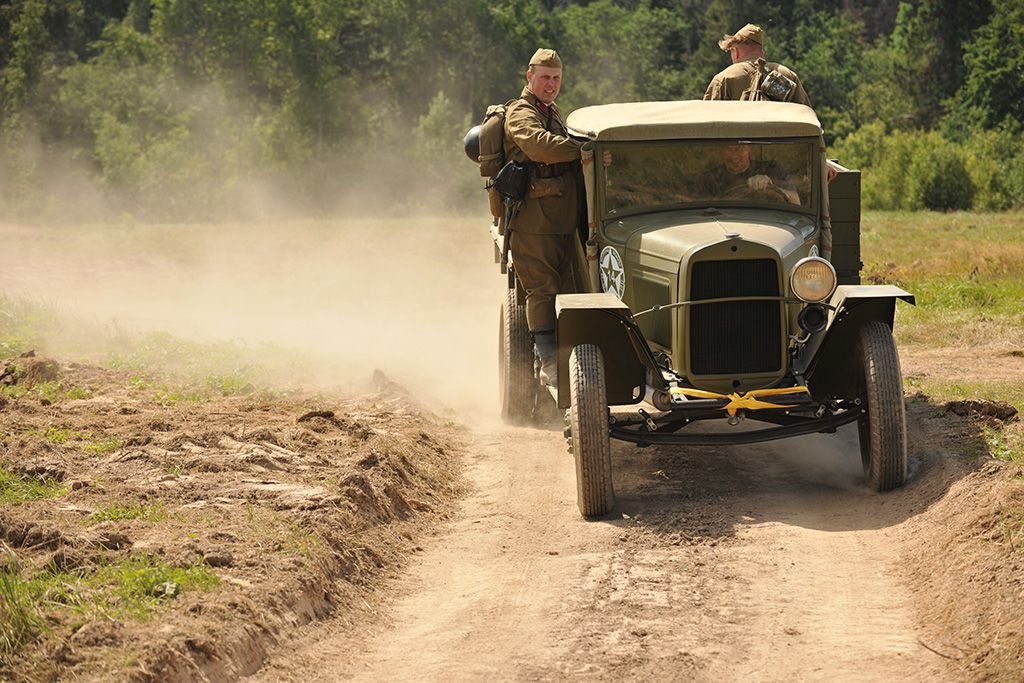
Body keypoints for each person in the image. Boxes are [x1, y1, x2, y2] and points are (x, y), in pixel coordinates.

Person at [503, 48, 584, 389]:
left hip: (560, 221)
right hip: (532, 223)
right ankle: (547, 359)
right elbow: (538, 146)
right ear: (529, 77)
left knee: (569, 291)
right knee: (542, 291)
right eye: (545, 78)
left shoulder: (550, 112)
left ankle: (569, 363)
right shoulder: (520, 112)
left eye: (556, 78)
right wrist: (581, 149)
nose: (551, 85)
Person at [704, 23, 810, 105]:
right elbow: (807, 118)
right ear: (762, 52)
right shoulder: (788, 75)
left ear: (735, 52)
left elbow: (706, 123)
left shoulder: (723, 78)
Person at [697, 144, 800, 205]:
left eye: (739, 148)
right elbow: (699, 207)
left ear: (748, 148)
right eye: (728, 148)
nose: (734, 156)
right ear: (721, 151)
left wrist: (770, 187)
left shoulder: (772, 168)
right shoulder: (711, 178)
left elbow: (795, 201)